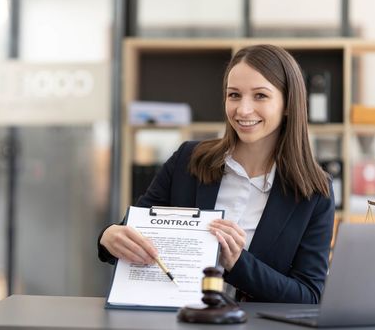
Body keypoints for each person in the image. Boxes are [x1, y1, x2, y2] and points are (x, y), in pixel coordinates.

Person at [98, 44, 335, 304]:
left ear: (288, 104)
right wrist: (109, 237)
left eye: (260, 96)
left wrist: (238, 263)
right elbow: (133, 233)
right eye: (234, 95)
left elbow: (309, 295)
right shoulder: (187, 161)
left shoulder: (314, 192)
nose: (243, 110)